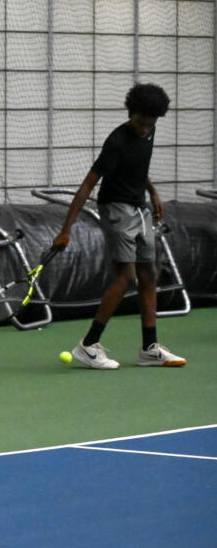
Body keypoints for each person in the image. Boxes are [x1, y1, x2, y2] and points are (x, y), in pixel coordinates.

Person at [53, 83, 184, 369]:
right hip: (116, 209)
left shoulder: (149, 128)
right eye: (140, 122)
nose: (144, 128)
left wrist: (153, 191)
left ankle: (150, 348)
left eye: (150, 123)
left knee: (149, 274)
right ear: (131, 113)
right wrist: (66, 229)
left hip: (140, 208)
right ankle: (88, 346)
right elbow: (88, 184)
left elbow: (138, 166)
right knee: (125, 277)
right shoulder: (117, 142)